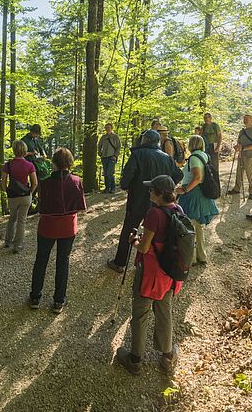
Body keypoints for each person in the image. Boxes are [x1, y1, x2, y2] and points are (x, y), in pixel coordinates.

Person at [115, 175, 181, 376]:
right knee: (164, 310)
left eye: (152, 189)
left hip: (150, 273)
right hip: (169, 271)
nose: (149, 192)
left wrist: (133, 240)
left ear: (160, 193)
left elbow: (144, 247)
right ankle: (168, 355)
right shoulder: (177, 210)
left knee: (141, 313)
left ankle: (135, 359)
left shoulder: (154, 214)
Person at [107, 130, 183, 273]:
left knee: (129, 231)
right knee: (156, 232)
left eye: (142, 138)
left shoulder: (137, 154)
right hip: (159, 201)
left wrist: (127, 186)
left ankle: (120, 263)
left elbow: (127, 176)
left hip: (137, 200)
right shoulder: (166, 157)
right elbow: (179, 174)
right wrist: (165, 187)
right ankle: (150, 264)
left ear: (146, 140)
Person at [29, 148, 86, 313]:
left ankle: (35, 297)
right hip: (68, 227)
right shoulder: (76, 181)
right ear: (70, 163)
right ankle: (59, 300)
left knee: (41, 260)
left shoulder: (45, 182)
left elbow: (41, 208)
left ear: (53, 163)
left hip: (48, 226)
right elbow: (80, 207)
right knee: (63, 261)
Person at [175, 136, 219, 265]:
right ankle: (202, 255)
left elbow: (197, 177)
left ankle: (191, 258)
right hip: (202, 193)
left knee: (189, 227)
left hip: (193, 195)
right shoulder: (204, 155)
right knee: (198, 227)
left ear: (191, 144)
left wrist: (185, 190)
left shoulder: (194, 157)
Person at [1, 140, 38, 254]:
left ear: (14, 150)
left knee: (12, 218)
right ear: (25, 151)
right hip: (25, 196)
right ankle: (17, 246)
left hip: (12, 196)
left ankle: (8, 242)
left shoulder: (8, 164)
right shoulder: (29, 165)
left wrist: (6, 191)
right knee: (22, 221)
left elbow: (3, 181)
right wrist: (30, 192)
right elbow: (35, 183)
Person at [228, 114, 252, 200]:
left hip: (250, 155)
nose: (245, 120)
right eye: (244, 119)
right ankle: (237, 188)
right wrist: (237, 147)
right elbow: (239, 143)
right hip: (241, 155)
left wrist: (243, 148)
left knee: (250, 174)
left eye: (247, 119)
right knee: (239, 172)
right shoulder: (242, 131)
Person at [97, 123, 121, 194]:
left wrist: (115, 155)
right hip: (104, 157)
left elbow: (119, 146)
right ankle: (107, 188)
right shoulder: (103, 137)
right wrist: (99, 152)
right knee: (105, 173)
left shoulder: (115, 137)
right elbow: (99, 145)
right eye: (106, 127)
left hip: (112, 157)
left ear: (111, 128)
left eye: (109, 127)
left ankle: (113, 188)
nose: (107, 129)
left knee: (109, 173)